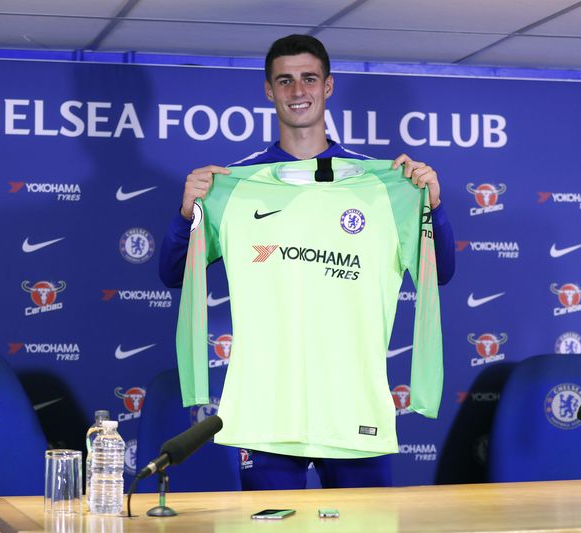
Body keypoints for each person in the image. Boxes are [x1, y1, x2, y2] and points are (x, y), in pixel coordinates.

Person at [159, 34, 455, 490]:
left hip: (356, 413)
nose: (298, 91)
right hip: (265, 416)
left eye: (309, 79)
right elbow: (173, 273)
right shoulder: (233, 186)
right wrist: (186, 216)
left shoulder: (384, 186)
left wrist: (432, 209)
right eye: (285, 80)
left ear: (328, 86)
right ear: (269, 90)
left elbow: (444, 273)